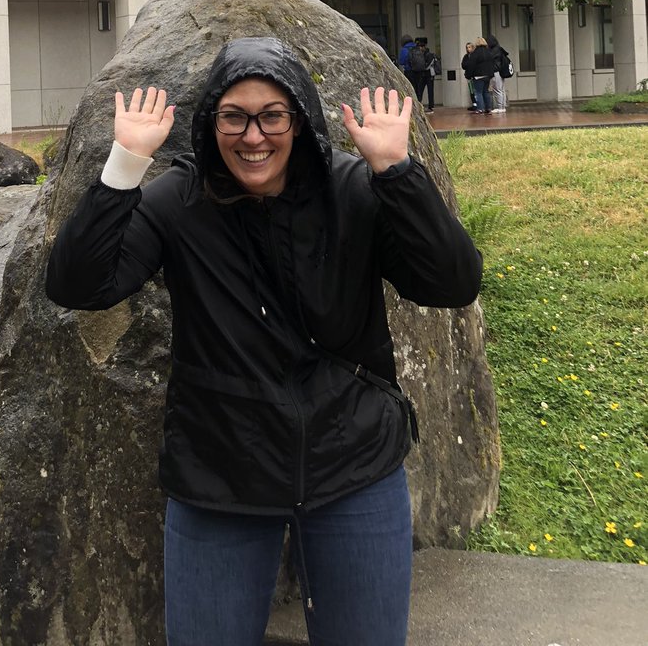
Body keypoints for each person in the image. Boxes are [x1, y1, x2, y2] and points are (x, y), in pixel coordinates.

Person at [46, 37, 482, 646]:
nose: (253, 137)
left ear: (298, 120)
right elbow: (77, 286)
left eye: (272, 116)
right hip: (221, 468)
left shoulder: (350, 189)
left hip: (352, 459)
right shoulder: (181, 199)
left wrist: (398, 173)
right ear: (211, 122)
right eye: (234, 117)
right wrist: (124, 166)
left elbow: (452, 283)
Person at [467, 36, 496, 114]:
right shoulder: (489, 53)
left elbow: (471, 65)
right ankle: (488, 108)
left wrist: (468, 75)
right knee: (486, 91)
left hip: (478, 75)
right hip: (488, 75)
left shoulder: (475, 54)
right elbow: (492, 64)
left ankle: (480, 108)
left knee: (478, 92)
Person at [486, 34, 509, 114]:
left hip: (495, 71)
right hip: (500, 72)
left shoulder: (494, 50)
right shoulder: (499, 49)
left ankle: (499, 107)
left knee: (497, 90)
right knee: (501, 89)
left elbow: (490, 59)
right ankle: (502, 106)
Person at [461, 42, 477, 110]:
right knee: (471, 91)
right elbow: (463, 65)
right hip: (469, 76)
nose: (468, 49)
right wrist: (469, 64)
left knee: (476, 91)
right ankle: (474, 104)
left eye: (469, 47)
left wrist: (469, 64)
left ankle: (478, 104)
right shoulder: (466, 56)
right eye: (467, 47)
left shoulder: (475, 55)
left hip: (475, 76)